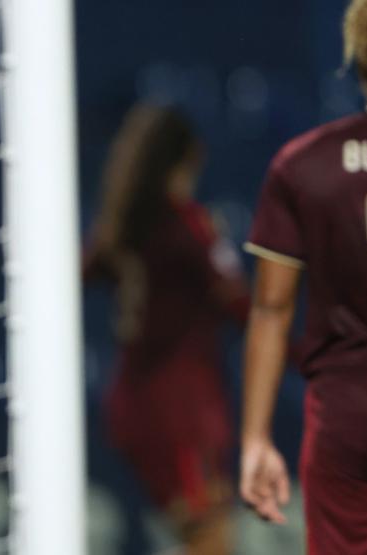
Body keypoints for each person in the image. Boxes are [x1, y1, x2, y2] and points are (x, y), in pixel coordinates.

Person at [239, 0, 367, 551]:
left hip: (349, 410)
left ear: (359, 62)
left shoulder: (304, 162)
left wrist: (256, 438)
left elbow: (271, 308)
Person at [85, 105, 248, 554]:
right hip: (183, 412)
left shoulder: (119, 229)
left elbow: (74, 276)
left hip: (132, 408)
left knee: (185, 536)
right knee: (211, 541)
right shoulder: (190, 226)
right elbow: (242, 305)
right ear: (189, 158)